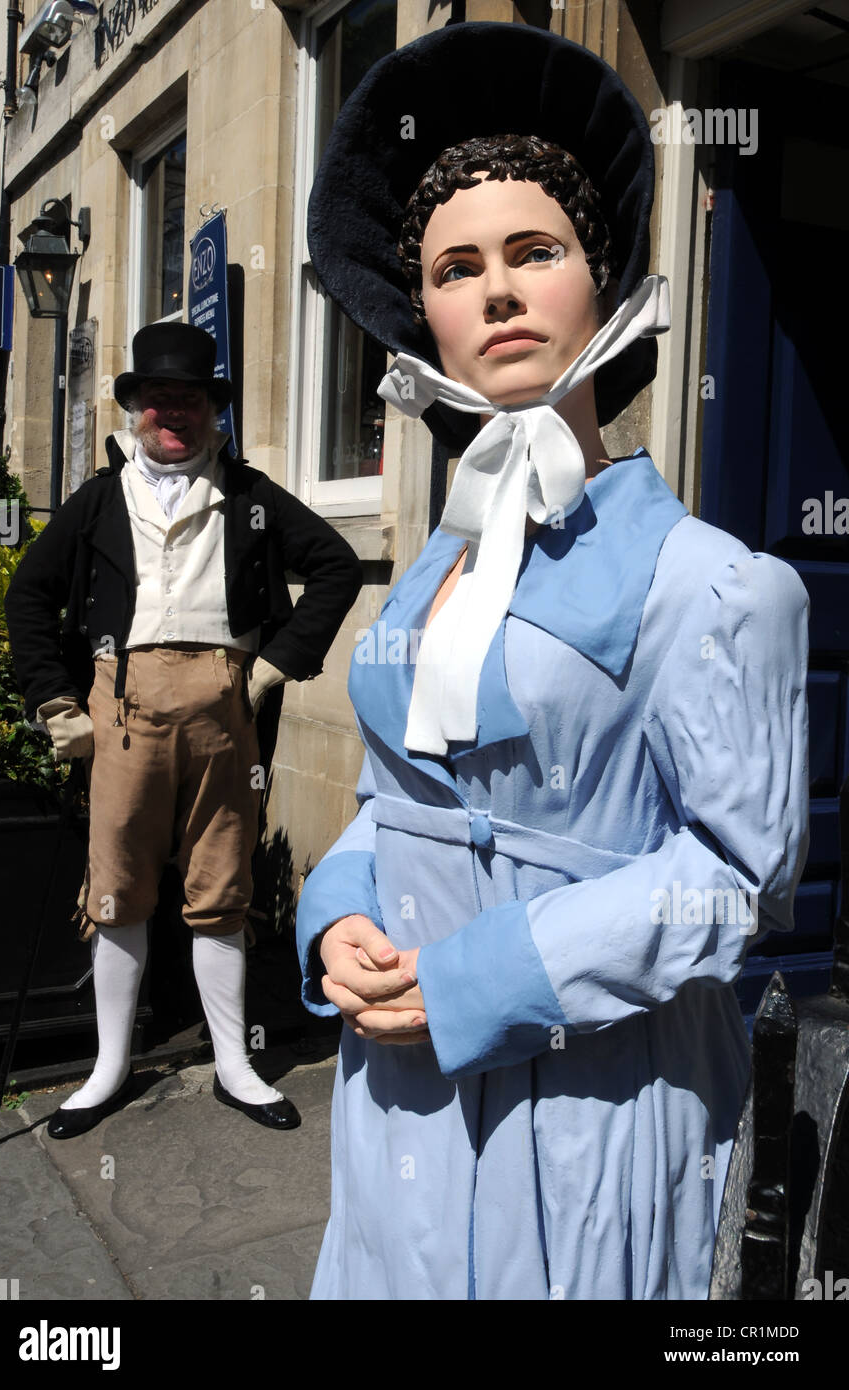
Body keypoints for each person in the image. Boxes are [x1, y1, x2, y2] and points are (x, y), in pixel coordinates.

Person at [295, 23, 810, 1299]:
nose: (500, 292)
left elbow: (736, 880)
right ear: (422, 309)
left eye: (536, 251)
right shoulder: (433, 570)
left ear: (599, 276)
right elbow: (393, 796)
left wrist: (487, 976)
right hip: (395, 1098)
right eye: (457, 267)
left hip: (584, 1104)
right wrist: (336, 915)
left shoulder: (710, 580)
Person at [5, 321, 362, 1138]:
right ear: (135, 409)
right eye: (159, 398)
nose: (175, 413)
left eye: (190, 399)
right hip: (120, 706)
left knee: (222, 890)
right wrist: (57, 701)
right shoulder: (98, 499)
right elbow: (29, 596)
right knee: (118, 889)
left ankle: (236, 1066)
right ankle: (108, 1068)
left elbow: (338, 565)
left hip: (224, 709)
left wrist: (274, 666)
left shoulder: (252, 496)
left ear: (212, 411)